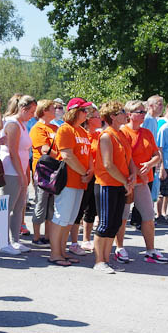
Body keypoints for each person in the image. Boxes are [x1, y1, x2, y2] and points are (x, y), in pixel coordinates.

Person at [116, 100, 168, 264]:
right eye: (139, 112)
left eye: (144, 112)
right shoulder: (122, 132)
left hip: (144, 180)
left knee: (148, 215)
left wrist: (150, 164)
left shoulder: (147, 133)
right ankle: (119, 247)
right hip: (126, 180)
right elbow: (124, 157)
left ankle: (150, 250)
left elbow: (157, 154)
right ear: (129, 114)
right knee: (123, 216)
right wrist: (138, 172)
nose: (143, 115)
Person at [47, 98, 92, 266]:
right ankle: (55, 254)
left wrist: (89, 172)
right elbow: (67, 155)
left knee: (69, 219)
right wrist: (84, 172)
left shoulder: (82, 131)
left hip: (80, 181)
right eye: (83, 111)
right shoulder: (65, 129)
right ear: (74, 112)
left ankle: (62, 251)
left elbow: (88, 154)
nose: (86, 114)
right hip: (67, 180)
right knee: (61, 218)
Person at [92, 101, 135, 274]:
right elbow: (108, 165)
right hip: (106, 185)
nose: (126, 114)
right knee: (105, 224)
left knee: (115, 224)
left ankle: (106, 260)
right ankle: (99, 261)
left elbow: (129, 158)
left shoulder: (121, 134)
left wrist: (132, 175)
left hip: (120, 184)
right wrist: (125, 181)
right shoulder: (106, 136)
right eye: (122, 112)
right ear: (113, 116)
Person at [0, 95, 35, 255]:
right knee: (7, 207)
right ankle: (3, 242)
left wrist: (26, 173)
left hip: (20, 170)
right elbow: (13, 152)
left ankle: (15, 240)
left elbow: (24, 152)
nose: (33, 115)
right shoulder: (13, 124)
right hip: (10, 171)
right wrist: (21, 174)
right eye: (31, 111)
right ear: (23, 109)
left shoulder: (22, 124)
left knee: (19, 207)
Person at [69, 107, 101, 253]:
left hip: (97, 176)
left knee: (92, 209)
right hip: (83, 175)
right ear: (89, 120)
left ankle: (86, 239)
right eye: (97, 116)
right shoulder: (82, 134)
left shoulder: (100, 135)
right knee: (79, 209)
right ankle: (73, 242)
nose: (100, 119)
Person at [28, 99, 57, 245]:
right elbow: (45, 150)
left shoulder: (55, 127)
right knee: (40, 203)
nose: (56, 110)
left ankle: (48, 236)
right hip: (42, 172)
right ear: (44, 110)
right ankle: (36, 237)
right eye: (53, 108)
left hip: (55, 171)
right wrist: (63, 155)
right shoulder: (37, 128)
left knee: (51, 205)